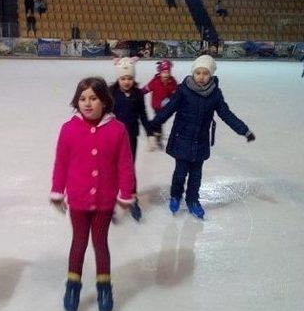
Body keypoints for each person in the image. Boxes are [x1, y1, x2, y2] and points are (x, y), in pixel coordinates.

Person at [50, 77, 135, 311]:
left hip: (104, 201)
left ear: (105, 101)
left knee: (100, 243)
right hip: (77, 199)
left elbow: (125, 166)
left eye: (93, 98)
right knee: (78, 242)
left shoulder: (117, 130)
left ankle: (104, 288)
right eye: (83, 98)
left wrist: (125, 195)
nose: (87, 103)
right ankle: (73, 287)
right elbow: (61, 164)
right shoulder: (68, 129)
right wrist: (57, 191)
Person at [149, 55, 255, 220]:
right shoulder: (184, 90)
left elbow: (226, 114)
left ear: (211, 75)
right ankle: (175, 196)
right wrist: (154, 123)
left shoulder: (215, 94)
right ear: (193, 73)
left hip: (200, 142)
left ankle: (193, 201)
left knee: (196, 176)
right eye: (198, 72)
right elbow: (168, 109)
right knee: (180, 173)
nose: (201, 76)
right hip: (182, 139)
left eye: (205, 73)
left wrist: (244, 130)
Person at [109, 58, 150, 221]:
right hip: (112, 138)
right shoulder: (111, 93)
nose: (126, 82)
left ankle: (132, 198)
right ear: (118, 79)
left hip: (131, 137)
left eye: (130, 78)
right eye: (123, 78)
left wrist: (150, 133)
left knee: (128, 170)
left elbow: (143, 114)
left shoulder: (138, 94)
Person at [141, 59, 178, 151]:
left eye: (168, 72)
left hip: (166, 107)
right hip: (156, 106)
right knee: (158, 121)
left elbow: (176, 93)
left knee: (159, 122)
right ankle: (155, 136)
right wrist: (138, 93)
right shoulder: (155, 81)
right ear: (160, 72)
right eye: (164, 72)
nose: (166, 74)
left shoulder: (172, 82)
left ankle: (155, 134)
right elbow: (146, 88)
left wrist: (170, 99)